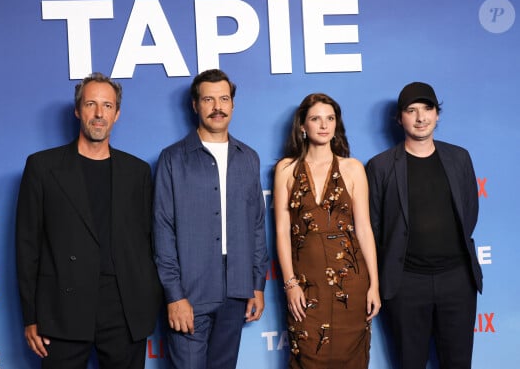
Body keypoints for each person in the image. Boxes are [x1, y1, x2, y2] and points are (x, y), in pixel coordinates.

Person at [15, 72, 162, 369]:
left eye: (107, 106)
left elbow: (149, 243)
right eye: (91, 104)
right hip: (61, 310)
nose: (99, 113)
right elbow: (26, 246)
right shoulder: (42, 167)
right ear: (77, 110)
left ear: (117, 114)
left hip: (124, 310)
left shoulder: (137, 172)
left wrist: (147, 304)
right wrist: (31, 316)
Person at [153, 68, 269, 369]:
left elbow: (257, 225)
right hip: (190, 291)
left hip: (236, 290)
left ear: (232, 104)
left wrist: (257, 284)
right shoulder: (173, 159)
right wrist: (174, 295)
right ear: (195, 105)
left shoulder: (248, 157)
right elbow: (162, 230)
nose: (217, 107)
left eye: (224, 99)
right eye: (208, 99)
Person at [365, 82, 483, 369]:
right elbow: (374, 224)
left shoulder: (459, 158)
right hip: (406, 283)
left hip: (457, 279)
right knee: (410, 362)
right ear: (399, 118)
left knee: (458, 363)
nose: (421, 118)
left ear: (437, 114)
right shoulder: (380, 166)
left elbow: (469, 211)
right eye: (411, 110)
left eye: (427, 109)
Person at [274, 93, 381, 368]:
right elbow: (282, 231)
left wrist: (374, 286)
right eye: (316, 118)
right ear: (302, 126)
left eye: (330, 118)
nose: (324, 125)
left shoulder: (353, 168)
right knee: (307, 357)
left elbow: (365, 230)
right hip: (306, 286)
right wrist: (290, 283)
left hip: (352, 284)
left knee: (352, 359)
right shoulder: (286, 170)